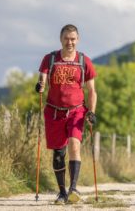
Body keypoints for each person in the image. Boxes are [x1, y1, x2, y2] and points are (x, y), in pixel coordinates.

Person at [35, 24, 97, 205]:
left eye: (73, 39)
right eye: (66, 39)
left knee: (74, 146)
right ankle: (62, 192)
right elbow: (42, 80)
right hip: (54, 112)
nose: (70, 42)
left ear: (78, 40)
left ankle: (73, 189)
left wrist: (91, 111)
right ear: (60, 39)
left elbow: (92, 90)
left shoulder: (84, 61)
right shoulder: (50, 58)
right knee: (58, 153)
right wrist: (40, 86)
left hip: (77, 110)